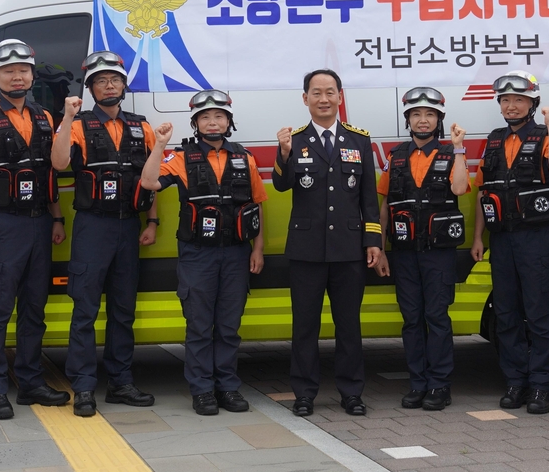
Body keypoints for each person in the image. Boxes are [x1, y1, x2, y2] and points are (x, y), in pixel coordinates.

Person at [141, 90, 266, 415]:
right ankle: (202, 390)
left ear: (229, 121)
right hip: (198, 253)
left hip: (236, 253)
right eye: (206, 117)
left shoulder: (244, 158)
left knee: (228, 325)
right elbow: (149, 181)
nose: (213, 122)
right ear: (196, 123)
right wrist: (158, 144)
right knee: (198, 324)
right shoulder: (182, 158)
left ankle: (227, 387)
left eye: (219, 116)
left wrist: (258, 249)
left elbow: (256, 205)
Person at [0, 39, 70, 419]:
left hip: (40, 223)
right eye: (8, 71)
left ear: (31, 74)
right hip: (5, 225)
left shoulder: (44, 117)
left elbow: (52, 172)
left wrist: (57, 217)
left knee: (34, 309)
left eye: (23, 70)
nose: (17, 76)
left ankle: (30, 382)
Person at [51, 51, 159, 417]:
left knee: (123, 310)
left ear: (124, 85)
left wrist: (153, 222)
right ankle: (83, 387)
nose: (108, 85)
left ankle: (120, 382)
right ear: (91, 88)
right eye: (100, 81)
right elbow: (60, 162)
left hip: (129, 225)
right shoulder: (79, 125)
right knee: (85, 310)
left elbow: (151, 179)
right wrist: (66, 117)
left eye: (114, 79)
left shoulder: (141, 127)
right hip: (92, 226)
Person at [272, 68, 382, 417]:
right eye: (316, 93)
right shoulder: (296, 139)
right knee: (305, 326)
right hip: (306, 250)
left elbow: (368, 198)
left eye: (330, 92)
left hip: (349, 249)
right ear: (305, 98)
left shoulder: (359, 140)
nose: (323, 99)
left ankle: (351, 393)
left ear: (340, 97)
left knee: (349, 325)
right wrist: (284, 152)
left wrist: (372, 241)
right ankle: (303, 393)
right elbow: (282, 185)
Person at [470, 71, 549, 415]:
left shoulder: (546, 136)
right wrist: (477, 237)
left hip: (537, 238)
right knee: (507, 313)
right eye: (506, 100)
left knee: (540, 313)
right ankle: (516, 380)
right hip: (502, 239)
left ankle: (543, 385)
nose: (511, 106)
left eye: (519, 100)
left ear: (532, 103)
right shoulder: (495, 140)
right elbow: (486, 192)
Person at [377, 87, 469, 411]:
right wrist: (382, 247)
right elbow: (386, 204)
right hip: (403, 252)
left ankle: (440, 386)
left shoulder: (450, 153)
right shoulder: (395, 156)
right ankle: (418, 383)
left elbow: (459, 188)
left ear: (439, 119)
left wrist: (459, 149)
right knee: (411, 318)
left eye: (430, 114)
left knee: (437, 317)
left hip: (438, 252)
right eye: (416, 114)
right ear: (408, 120)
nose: (423, 120)